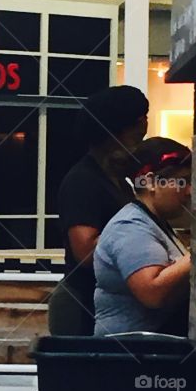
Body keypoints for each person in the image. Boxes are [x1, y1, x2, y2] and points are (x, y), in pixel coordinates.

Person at [49, 85, 149, 336]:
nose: (138, 146)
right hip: (83, 307)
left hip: (99, 303)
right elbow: (85, 252)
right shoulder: (83, 181)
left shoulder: (115, 180)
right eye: (136, 137)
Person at [93, 138, 192, 337]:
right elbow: (152, 293)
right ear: (150, 182)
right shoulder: (130, 227)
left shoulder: (154, 222)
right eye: (183, 181)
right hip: (127, 357)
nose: (189, 191)